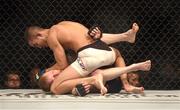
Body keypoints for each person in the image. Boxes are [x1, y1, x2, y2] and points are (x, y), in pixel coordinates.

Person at [25, 21, 140, 94]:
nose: (39, 47)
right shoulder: (63, 24)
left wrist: (44, 71)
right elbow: (90, 38)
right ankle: (126, 84)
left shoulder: (51, 37)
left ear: (39, 35)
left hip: (89, 55)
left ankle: (94, 80)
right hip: (104, 49)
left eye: (36, 44)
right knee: (117, 54)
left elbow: (62, 65)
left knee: (55, 88)